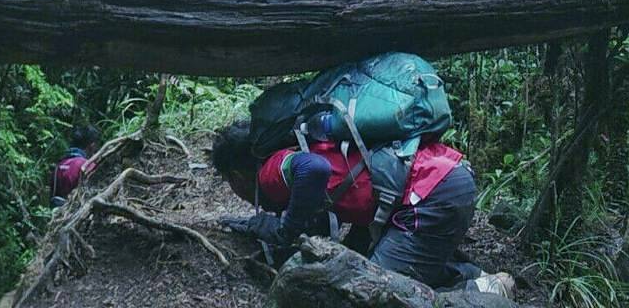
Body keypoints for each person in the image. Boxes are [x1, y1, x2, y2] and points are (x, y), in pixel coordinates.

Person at [212, 120, 514, 297]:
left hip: (431, 189)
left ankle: (483, 292)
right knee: (361, 263)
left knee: (373, 292)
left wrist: (284, 230)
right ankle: (474, 274)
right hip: (439, 177)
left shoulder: (271, 169)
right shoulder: (298, 142)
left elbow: (314, 170)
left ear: (237, 175)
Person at [50, 125, 101, 208]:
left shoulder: (59, 165)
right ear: (92, 146)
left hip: (56, 214)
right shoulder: (87, 165)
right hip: (76, 213)